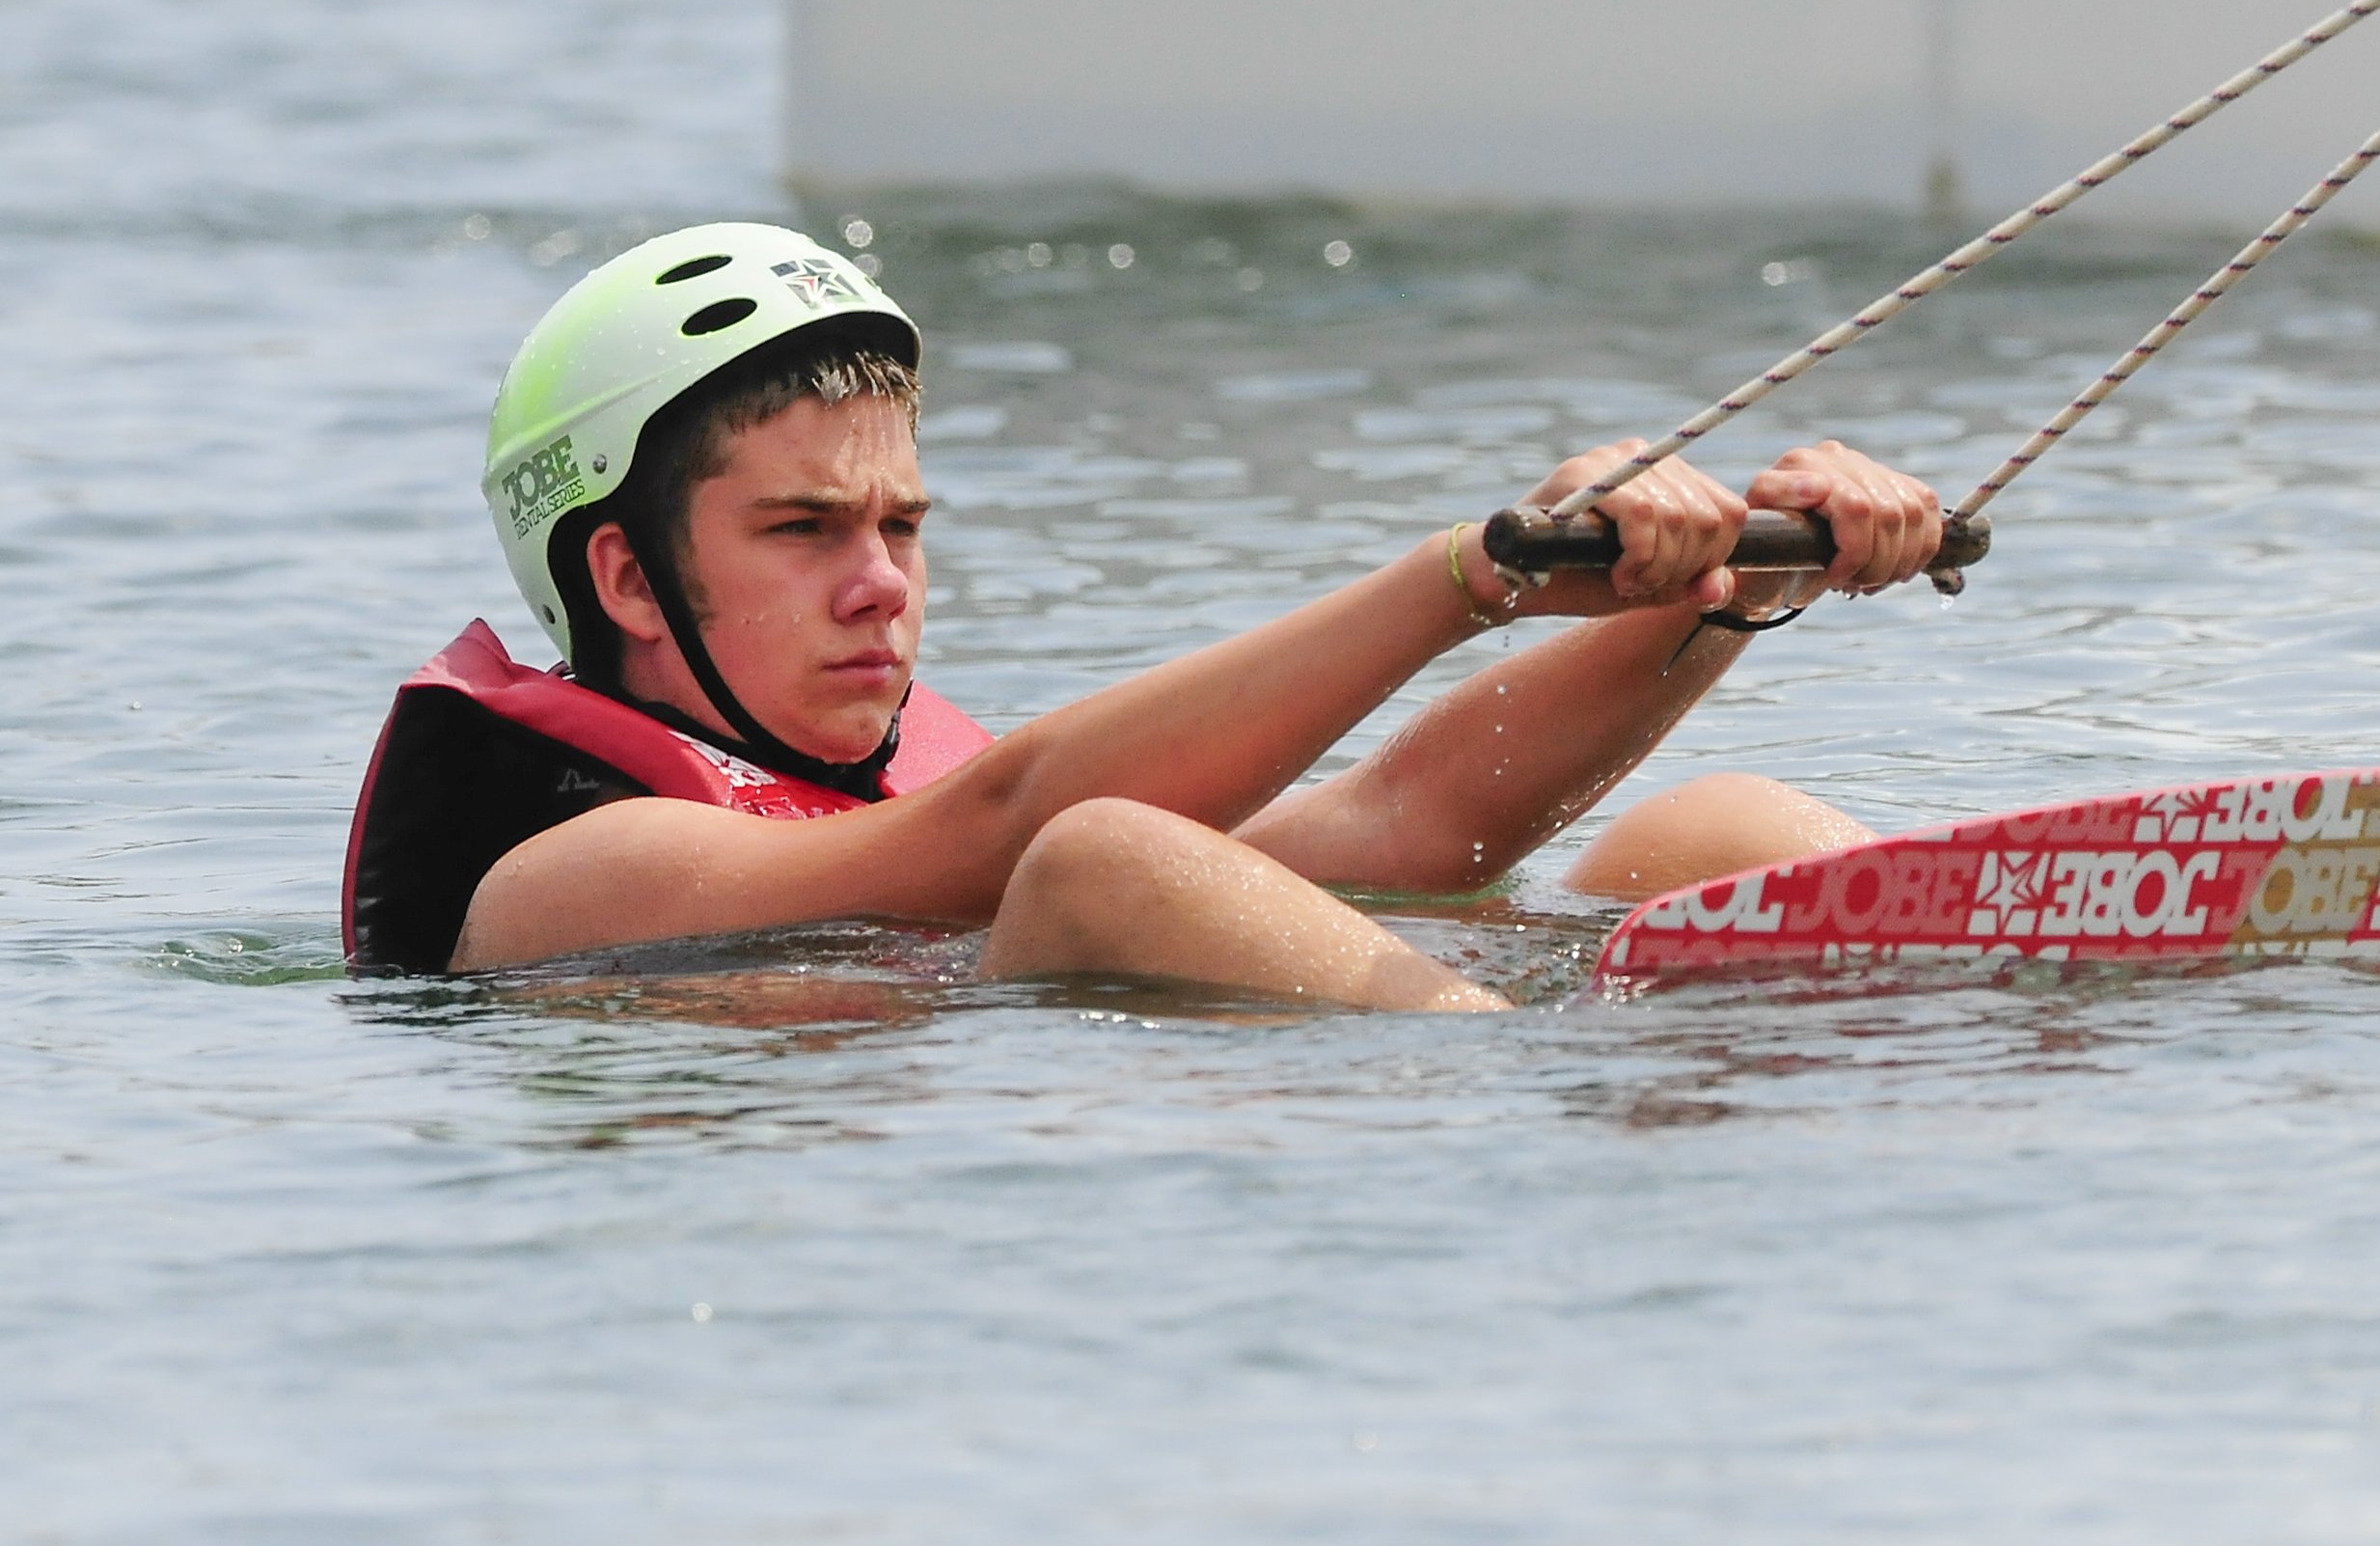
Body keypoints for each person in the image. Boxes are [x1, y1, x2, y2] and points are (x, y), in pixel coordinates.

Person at [342, 222, 1942, 1011]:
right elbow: (1027, 824)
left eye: (901, 523)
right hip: (1338, 1132)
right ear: (622, 578)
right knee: (1103, 858)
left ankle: (1970, 1008)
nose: (881, 580)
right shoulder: (563, 875)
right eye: (803, 530)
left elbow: (1413, 819)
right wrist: (1468, 578)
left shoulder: (896, 794)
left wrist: (1731, 586)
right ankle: (1545, 1076)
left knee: (1711, 826)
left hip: (1355, 1066)